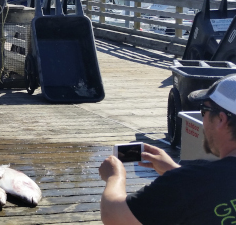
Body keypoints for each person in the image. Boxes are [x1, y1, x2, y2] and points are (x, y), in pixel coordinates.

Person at [98, 74, 236, 225]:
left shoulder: (188, 182)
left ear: (221, 119)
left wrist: (114, 176)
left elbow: (114, 216)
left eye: (204, 110)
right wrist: (173, 170)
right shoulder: (192, 182)